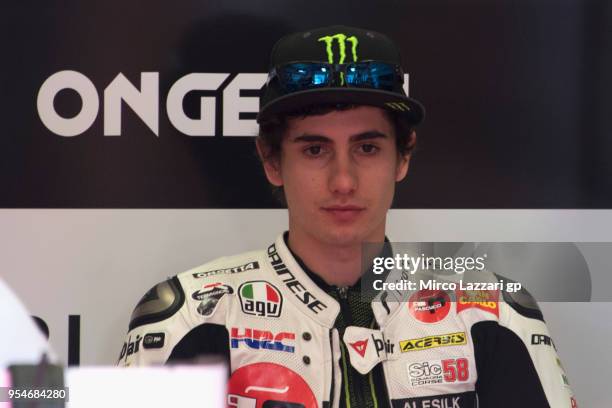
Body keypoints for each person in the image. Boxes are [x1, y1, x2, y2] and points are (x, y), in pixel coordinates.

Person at [118, 25, 577, 408]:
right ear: (271, 161)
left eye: (368, 148)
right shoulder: (188, 318)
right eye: (315, 149)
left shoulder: (492, 312)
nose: (343, 181)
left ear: (403, 158)